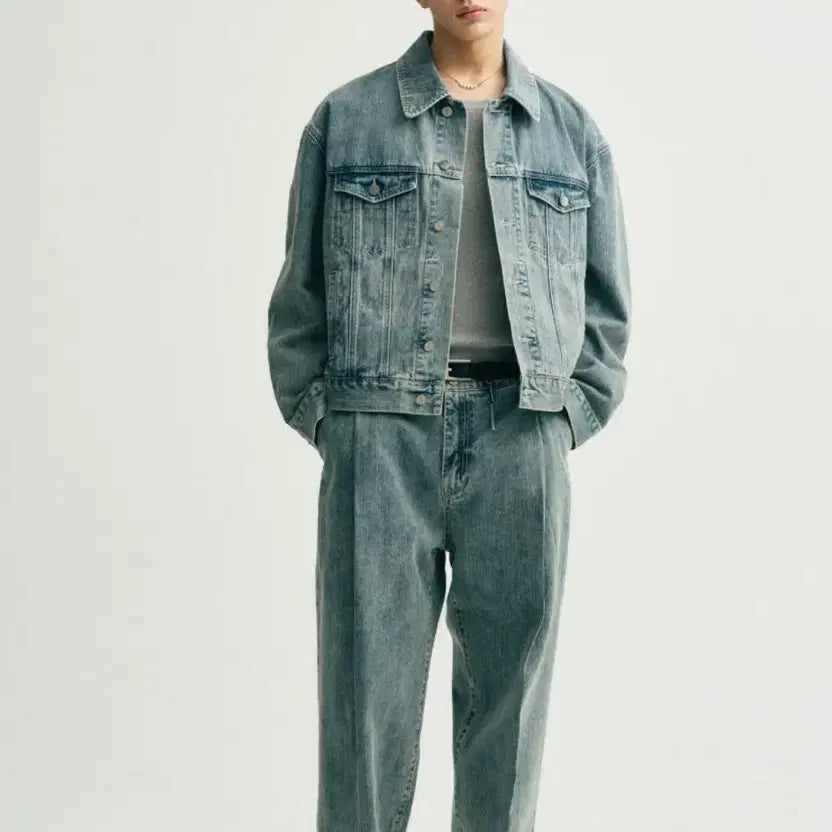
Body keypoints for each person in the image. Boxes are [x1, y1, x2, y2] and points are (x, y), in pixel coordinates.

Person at [267, 2, 632, 829]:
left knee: (511, 704)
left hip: (522, 431)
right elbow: (298, 304)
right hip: (379, 433)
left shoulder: (571, 133)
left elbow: (606, 310)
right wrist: (332, 420)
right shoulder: (346, 119)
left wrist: (568, 416)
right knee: (363, 705)